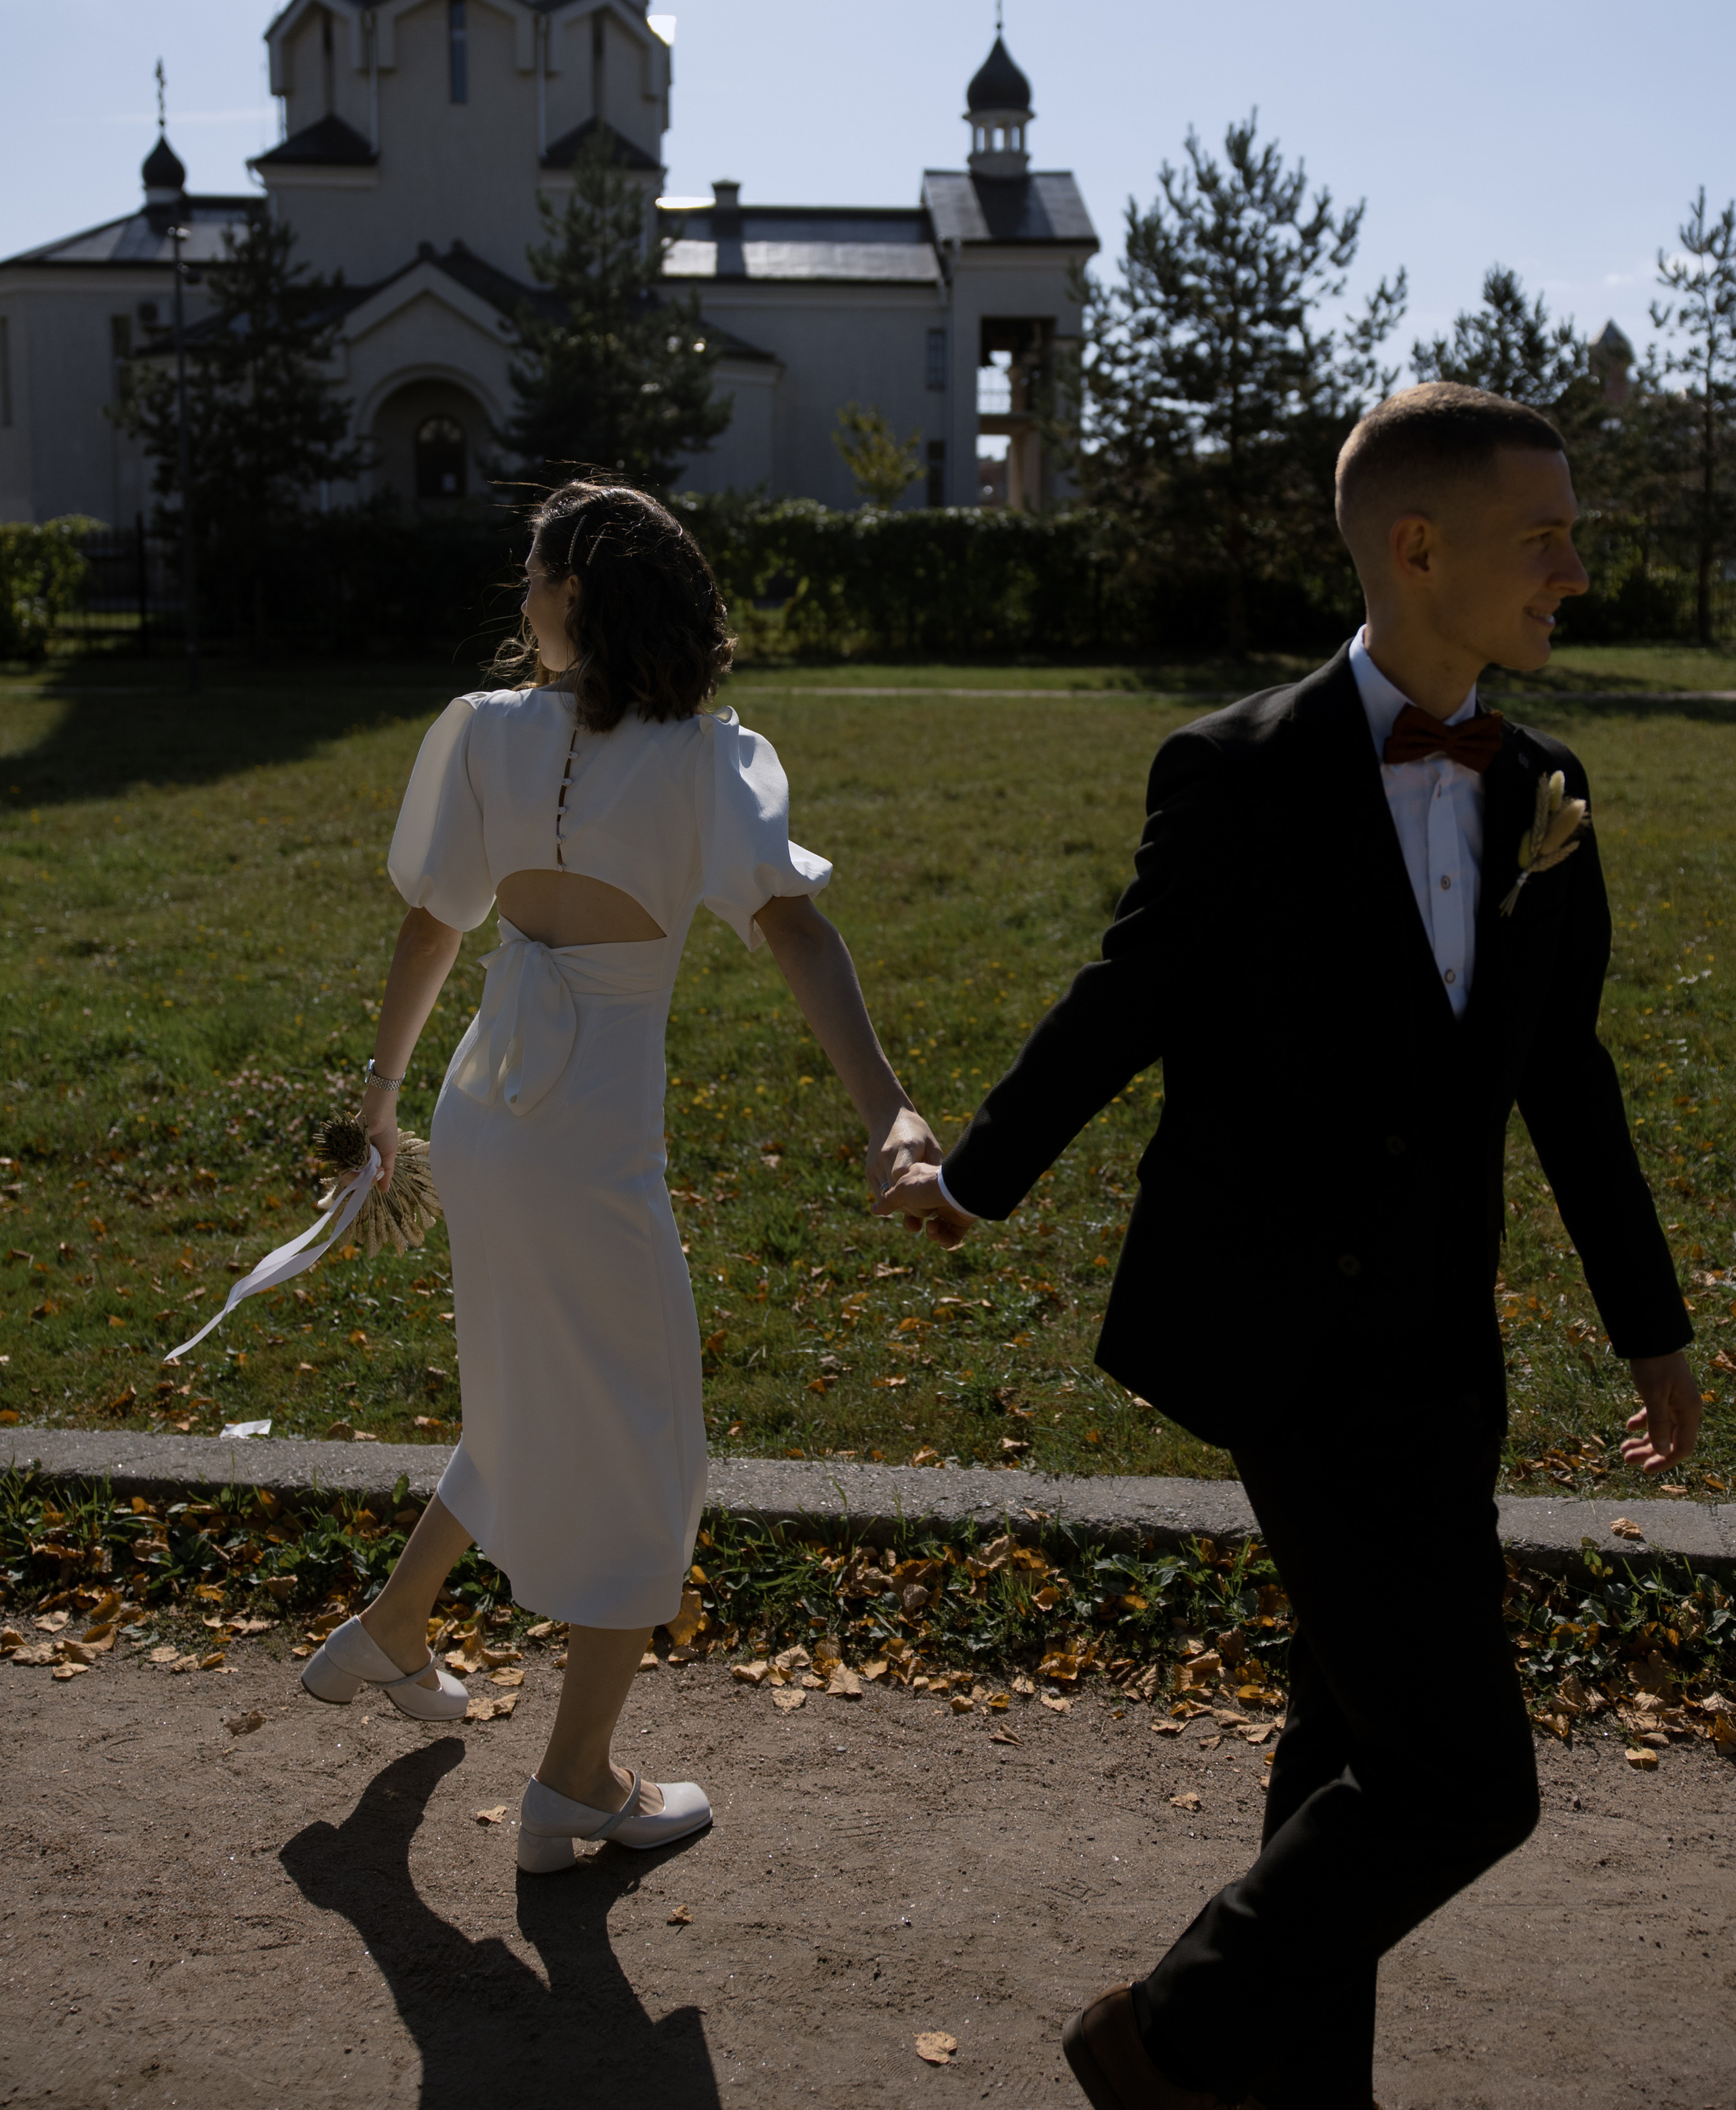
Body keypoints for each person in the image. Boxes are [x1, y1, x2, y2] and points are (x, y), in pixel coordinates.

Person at [880, 383, 1698, 2110]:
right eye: (1541, 535)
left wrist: (1651, 1327)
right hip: (1278, 1337)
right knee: (1467, 1783)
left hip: (1439, 1351)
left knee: (1353, 1732)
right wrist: (977, 1175)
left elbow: (1566, 1076)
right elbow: (1131, 996)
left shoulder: (1541, 788)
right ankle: (1165, 2033)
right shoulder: (1239, 770)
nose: (1573, 569)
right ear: (1418, 546)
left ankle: (1297, 2088)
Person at [300, 480, 938, 1872]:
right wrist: (889, 1110)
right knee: (645, 1437)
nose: (519, 597)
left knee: (541, 1387)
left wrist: (385, 1101)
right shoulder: (707, 763)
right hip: (584, 1147)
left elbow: (427, 930)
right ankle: (575, 1780)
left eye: (532, 575)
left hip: (485, 1117)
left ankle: (393, 1628)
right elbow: (793, 932)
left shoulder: (482, 735)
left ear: (577, 598)